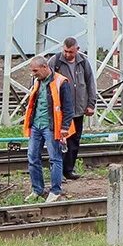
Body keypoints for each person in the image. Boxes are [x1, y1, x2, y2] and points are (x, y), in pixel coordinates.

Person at [22, 55, 76, 203]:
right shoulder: (36, 81)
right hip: (36, 126)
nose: (33, 73)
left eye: (35, 70)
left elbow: (68, 108)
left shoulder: (61, 82)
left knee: (55, 158)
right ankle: (37, 189)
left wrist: (65, 127)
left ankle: (55, 190)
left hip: (52, 127)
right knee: (32, 157)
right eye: (32, 71)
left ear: (45, 67)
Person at [49, 37, 96, 180]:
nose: (68, 54)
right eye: (65, 51)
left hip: (78, 109)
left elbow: (90, 83)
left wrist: (91, 104)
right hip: (60, 110)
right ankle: (58, 171)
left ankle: (69, 170)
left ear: (77, 49)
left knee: (74, 141)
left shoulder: (82, 62)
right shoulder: (55, 61)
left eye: (71, 52)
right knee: (60, 140)